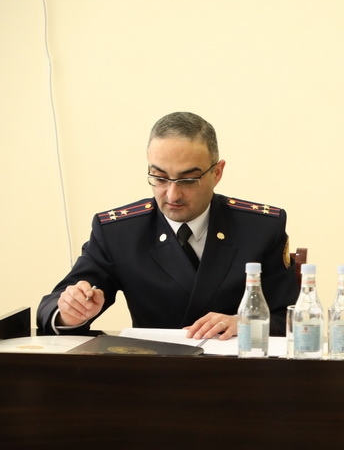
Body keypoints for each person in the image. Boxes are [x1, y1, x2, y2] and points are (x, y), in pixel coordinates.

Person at [37, 111, 298, 338]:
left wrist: (247, 324)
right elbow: (52, 307)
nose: (172, 195)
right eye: (159, 178)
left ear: (217, 173)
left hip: (236, 372)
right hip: (153, 371)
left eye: (188, 180)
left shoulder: (260, 228)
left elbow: (293, 319)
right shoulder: (119, 232)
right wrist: (71, 313)